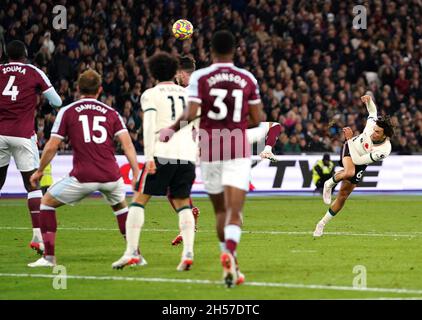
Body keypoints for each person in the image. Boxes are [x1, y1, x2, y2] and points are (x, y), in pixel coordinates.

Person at [159, 30, 264, 287]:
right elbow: (257, 119)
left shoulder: (202, 76)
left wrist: (171, 129)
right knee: (234, 211)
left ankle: (230, 261)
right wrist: (236, 123)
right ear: (234, 50)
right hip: (237, 148)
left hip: (209, 149)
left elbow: (191, 112)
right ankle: (230, 253)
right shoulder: (247, 78)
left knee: (219, 211)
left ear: (211, 51)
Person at [27, 69, 140, 267]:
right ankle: (136, 254)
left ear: (78, 89)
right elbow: (128, 144)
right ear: (100, 90)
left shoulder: (68, 111)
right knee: (121, 208)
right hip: (111, 176)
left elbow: (52, 145)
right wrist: (136, 171)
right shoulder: (111, 112)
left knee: (46, 203)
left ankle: (49, 258)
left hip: (83, 176)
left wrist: (39, 171)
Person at [112, 52, 198, 271]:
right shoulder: (189, 95)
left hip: (162, 153)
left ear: (152, 72)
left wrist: (149, 157)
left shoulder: (151, 94)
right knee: (182, 203)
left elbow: (150, 127)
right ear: (175, 72)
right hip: (187, 155)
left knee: (138, 201)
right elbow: (196, 125)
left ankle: (131, 252)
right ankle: (188, 253)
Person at [0, 40, 62, 255]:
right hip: (23, 135)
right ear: (25, 54)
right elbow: (56, 101)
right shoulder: (33, 71)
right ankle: (37, 236)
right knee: (32, 186)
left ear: (6, 54)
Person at [313, 94, 393, 237]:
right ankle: (328, 183)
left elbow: (359, 160)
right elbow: (372, 112)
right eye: (374, 130)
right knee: (349, 172)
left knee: (343, 196)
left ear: (385, 135)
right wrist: (369, 100)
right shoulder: (371, 126)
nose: (373, 133)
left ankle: (321, 224)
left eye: (378, 132)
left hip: (359, 159)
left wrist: (349, 138)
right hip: (350, 147)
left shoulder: (384, 150)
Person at [170, 56, 200, 246]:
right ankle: (189, 216)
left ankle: (188, 220)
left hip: (185, 143)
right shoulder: (200, 88)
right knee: (175, 187)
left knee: (171, 188)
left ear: (181, 73)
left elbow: (187, 118)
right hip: (195, 142)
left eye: (176, 74)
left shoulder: (186, 93)